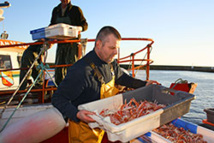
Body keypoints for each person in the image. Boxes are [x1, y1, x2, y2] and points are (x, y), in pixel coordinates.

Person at [52, 26, 159, 143]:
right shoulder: (81, 71)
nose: (115, 53)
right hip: (83, 132)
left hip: (102, 125)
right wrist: (76, 114)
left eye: (117, 48)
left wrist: (144, 84)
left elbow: (121, 77)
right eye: (112, 48)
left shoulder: (111, 63)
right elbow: (58, 98)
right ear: (98, 44)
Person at [49, 0, 88, 86]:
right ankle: (59, 90)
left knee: (72, 68)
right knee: (58, 69)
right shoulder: (56, 10)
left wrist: (79, 29)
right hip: (60, 44)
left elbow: (85, 25)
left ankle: (74, 90)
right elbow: (52, 25)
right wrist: (48, 34)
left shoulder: (76, 10)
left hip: (72, 44)